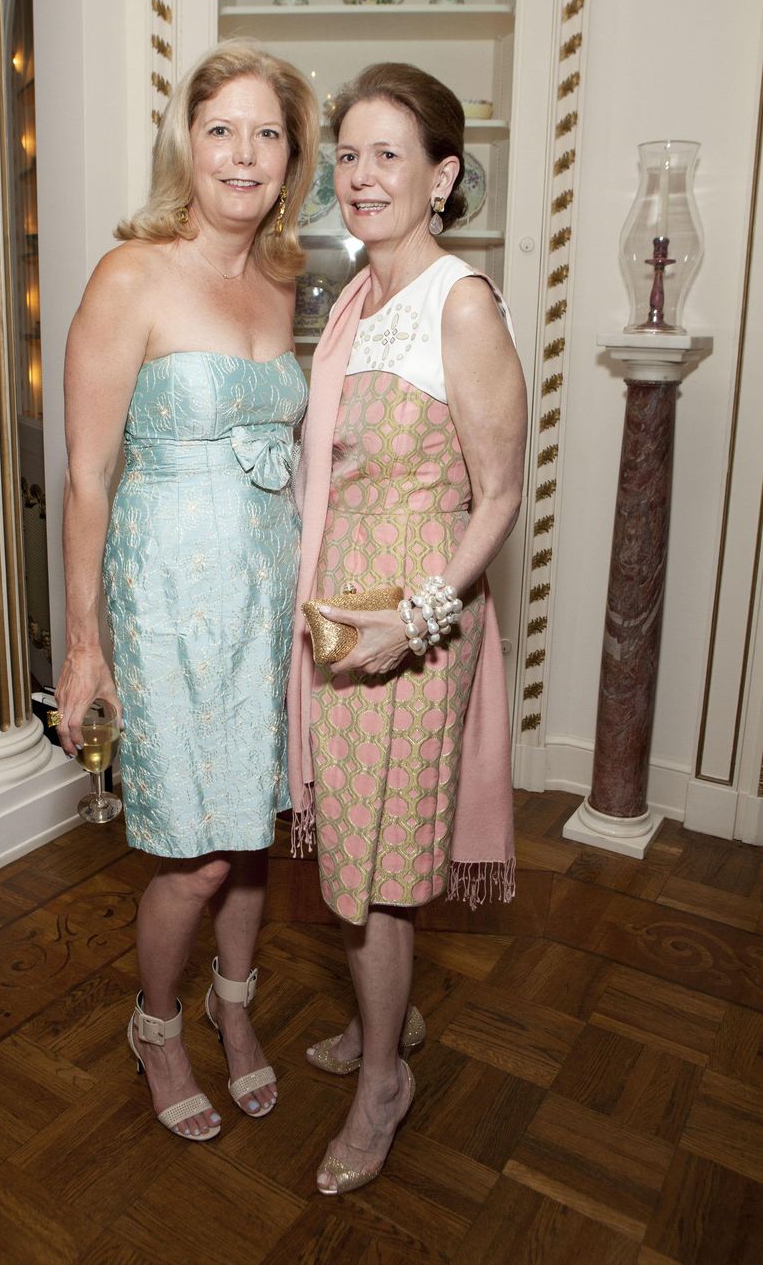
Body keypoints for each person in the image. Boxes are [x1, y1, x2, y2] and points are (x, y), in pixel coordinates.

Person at [55, 40, 319, 1142]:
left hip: (265, 595)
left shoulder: (283, 276)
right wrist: (84, 648)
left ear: (292, 157)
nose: (243, 153)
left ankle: (234, 1006)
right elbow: (86, 475)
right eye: (222, 130)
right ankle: (156, 1024)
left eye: (267, 133)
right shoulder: (131, 273)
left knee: (252, 833)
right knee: (196, 855)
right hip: (164, 598)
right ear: (188, 145)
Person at [287, 62, 526, 1193]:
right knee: (355, 846)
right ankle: (385, 1020)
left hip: (414, 628)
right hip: (346, 621)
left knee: (377, 867)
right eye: (347, 155)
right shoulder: (359, 296)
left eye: (389, 154)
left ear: (441, 175)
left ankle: (383, 1081)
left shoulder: (457, 302)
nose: (361, 175)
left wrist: (415, 624)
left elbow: (500, 496)